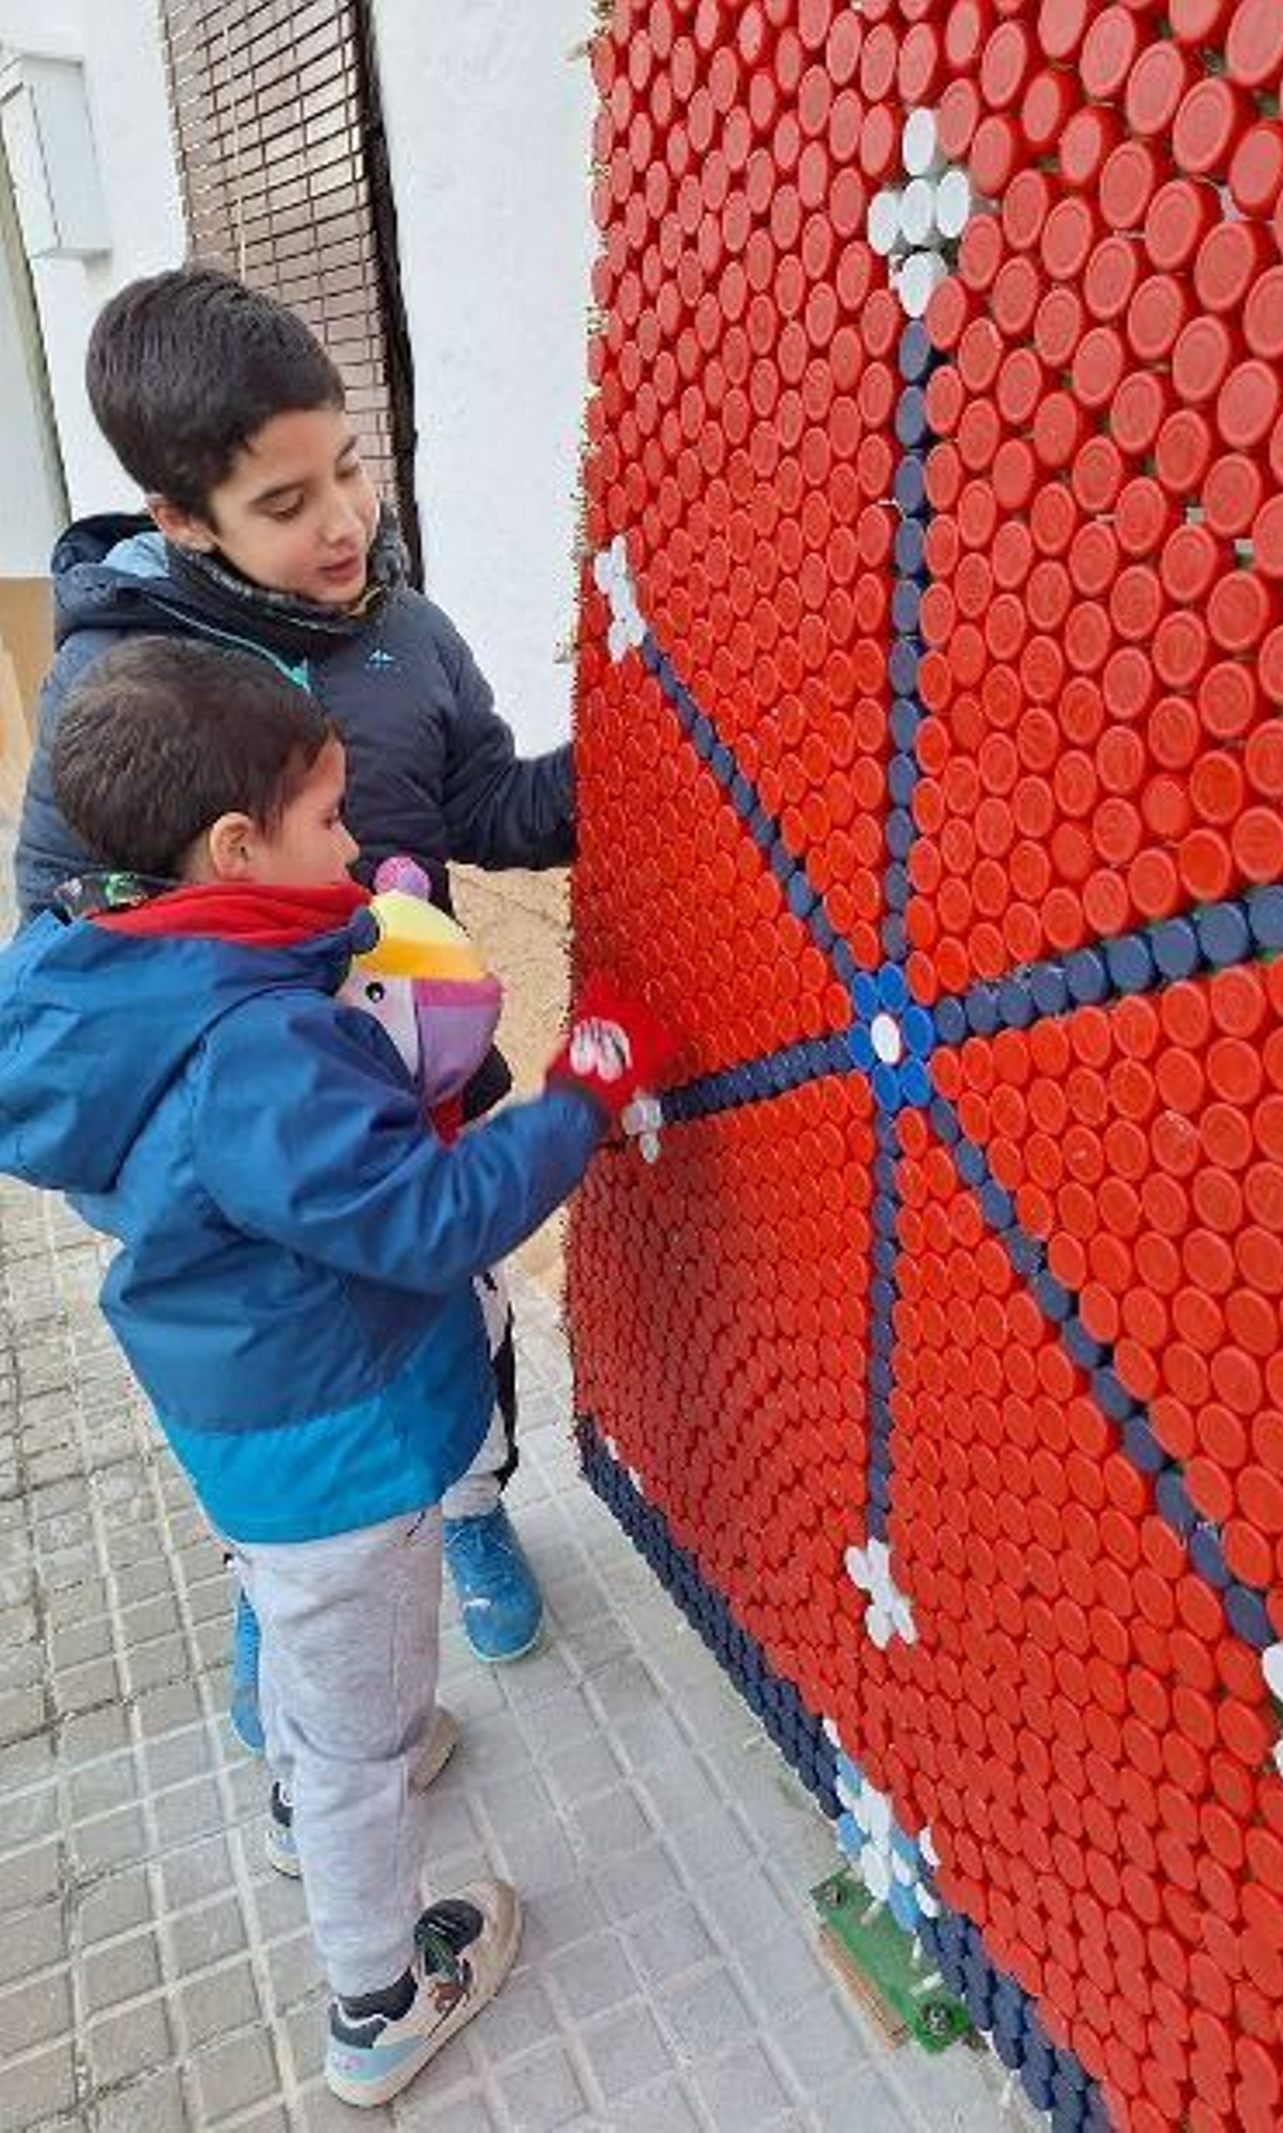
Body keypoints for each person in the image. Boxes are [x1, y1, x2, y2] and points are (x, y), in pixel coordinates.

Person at [0, 638, 671, 2105]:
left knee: (311, 1641)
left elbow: (225, 1172)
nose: (357, 844)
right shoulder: (256, 1048)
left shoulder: (95, 964)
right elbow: (428, 1221)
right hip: (330, 1442)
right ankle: (377, 1993)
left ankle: (322, 1772)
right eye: (328, 821)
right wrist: (576, 1100)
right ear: (237, 847)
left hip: (237, 1411)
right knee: (364, 1724)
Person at [12, 265, 574, 1729]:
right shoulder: (116, 692)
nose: (342, 523)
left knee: (464, 1321)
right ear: (181, 517)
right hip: (242, 1186)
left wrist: (642, 742)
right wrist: (191, 1156)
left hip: (420, 1109)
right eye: (285, 501)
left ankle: (471, 1511)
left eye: (350, 469)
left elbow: (492, 808)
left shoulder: (409, 635)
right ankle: (288, 1592)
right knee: (290, 1408)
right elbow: (65, 948)